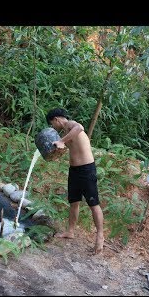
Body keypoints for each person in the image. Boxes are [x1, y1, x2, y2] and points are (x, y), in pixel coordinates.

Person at [45, 108, 104, 254]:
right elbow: (70, 147)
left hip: (86, 171)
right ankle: (70, 232)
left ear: (56, 119)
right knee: (74, 202)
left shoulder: (71, 124)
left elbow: (80, 127)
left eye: (52, 124)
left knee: (93, 204)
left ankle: (100, 236)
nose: (53, 127)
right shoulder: (66, 133)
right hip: (74, 171)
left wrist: (61, 141)